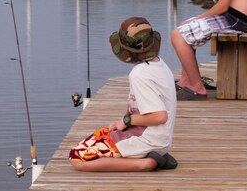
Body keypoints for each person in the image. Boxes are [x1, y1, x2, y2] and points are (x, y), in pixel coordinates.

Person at [69, 17, 178, 172]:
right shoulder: (160, 64)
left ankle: (146, 162)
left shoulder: (139, 74)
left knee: (76, 157)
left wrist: (126, 121)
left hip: (146, 139)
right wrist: (123, 123)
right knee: (99, 136)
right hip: (159, 139)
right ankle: (150, 155)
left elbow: (159, 116)